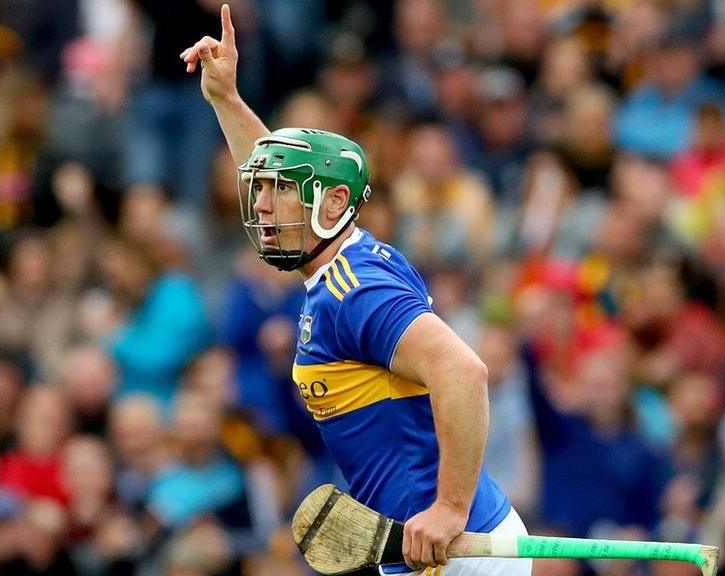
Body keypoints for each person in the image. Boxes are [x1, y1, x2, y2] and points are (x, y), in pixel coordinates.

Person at [181, 6, 531, 575]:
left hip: (453, 554)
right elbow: (275, 170)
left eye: (281, 194)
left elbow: (464, 373)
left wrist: (449, 508)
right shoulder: (335, 266)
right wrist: (226, 98)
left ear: (333, 204)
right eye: (262, 191)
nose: (262, 208)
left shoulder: (355, 290)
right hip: (416, 552)